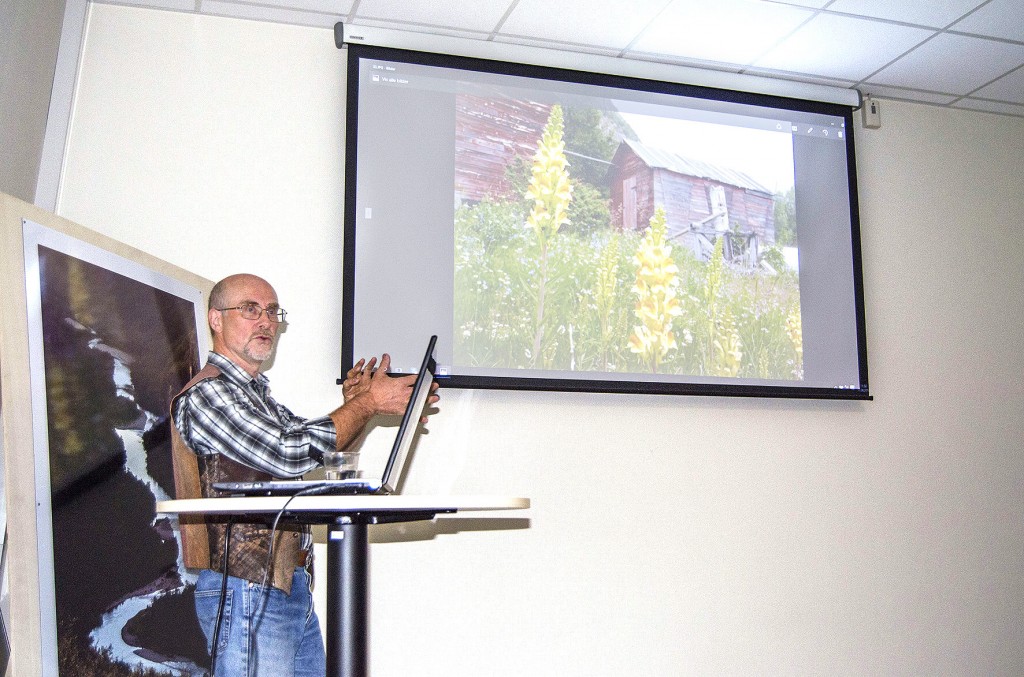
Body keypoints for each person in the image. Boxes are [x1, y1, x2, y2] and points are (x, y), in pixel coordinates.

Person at [170, 273, 436, 676]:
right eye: (250, 309)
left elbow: (313, 458)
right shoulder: (209, 394)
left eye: (272, 312)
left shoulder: (258, 398)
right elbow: (288, 453)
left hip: (284, 586)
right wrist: (365, 405)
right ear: (215, 320)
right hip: (248, 592)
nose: (265, 321)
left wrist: (358, 406)